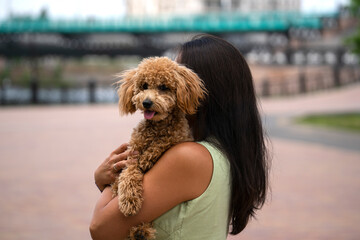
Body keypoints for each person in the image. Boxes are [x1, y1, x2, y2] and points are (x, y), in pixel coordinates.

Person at [90, 34, 269, 240]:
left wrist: (107, 181)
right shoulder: (225, 153)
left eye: (167, 86)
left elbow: (100, 229)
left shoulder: (188, 157)